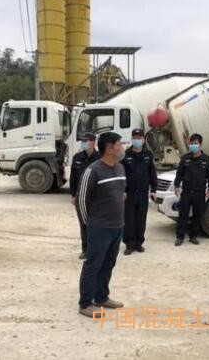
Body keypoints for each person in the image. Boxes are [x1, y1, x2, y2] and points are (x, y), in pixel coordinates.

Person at [78, 132, 126, 318]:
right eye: (119, 144)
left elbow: (121, 194)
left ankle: (101, 297)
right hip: (99, 227)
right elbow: (82, 201)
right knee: (93, 265)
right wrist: (89, 225)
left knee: (108, 263)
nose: (122, 148)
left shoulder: (120, 168)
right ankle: (85, 303)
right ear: (109, 148)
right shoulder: (93, 171)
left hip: (117, 226)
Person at [173, 133, 209, 246]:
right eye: (191, 143)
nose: (193, 145)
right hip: (186, 191)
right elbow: (179, 174)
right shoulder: (185, 158)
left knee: (197, 214)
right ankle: (180, 237)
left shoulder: (207, 160)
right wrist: (176, 185)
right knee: (183, 214)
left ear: (200, 144)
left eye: (195, 143)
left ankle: (193, 236)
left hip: (199, 192)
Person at [121, 128, 158, 255]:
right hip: (129, 193)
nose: (136, 140)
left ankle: (138, 243)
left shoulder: (148, 155)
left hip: (143, 193)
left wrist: (154, 189)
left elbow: (152, 173)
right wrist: (122, 190)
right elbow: (121, 174)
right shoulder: (125, 155)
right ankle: (129, 244)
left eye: (139, 138)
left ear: (143, 140)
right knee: (129, 219)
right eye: (134, 138)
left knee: (141, 219)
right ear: (132, 139)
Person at [70, 133, 100, 259]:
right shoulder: (77, 157)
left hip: (96, 197)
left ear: (93, 142)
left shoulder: (100, 158)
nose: (83, 143)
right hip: (81, 197)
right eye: (82, 141)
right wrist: (73, 195)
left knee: (96, 224)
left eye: (86, 141)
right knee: (84, 223)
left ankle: (96, 250)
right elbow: (73, 177)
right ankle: (85, 249)